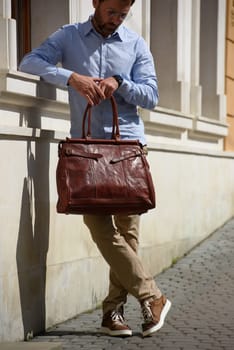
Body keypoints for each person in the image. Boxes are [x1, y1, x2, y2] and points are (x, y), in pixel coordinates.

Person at [19, 0, 171, 338]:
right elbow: (29, 62)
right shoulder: (69, 36)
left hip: (127, 149)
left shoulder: (135, 43)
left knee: (128, 236)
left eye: (123, 14)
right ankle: (152, 296)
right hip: (86, 150)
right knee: (99, 226)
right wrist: (71, 77)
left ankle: (112, 314)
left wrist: (121, 83)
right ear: (95, 3)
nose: (116, 19)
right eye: (111, 11)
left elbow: (152, 96)